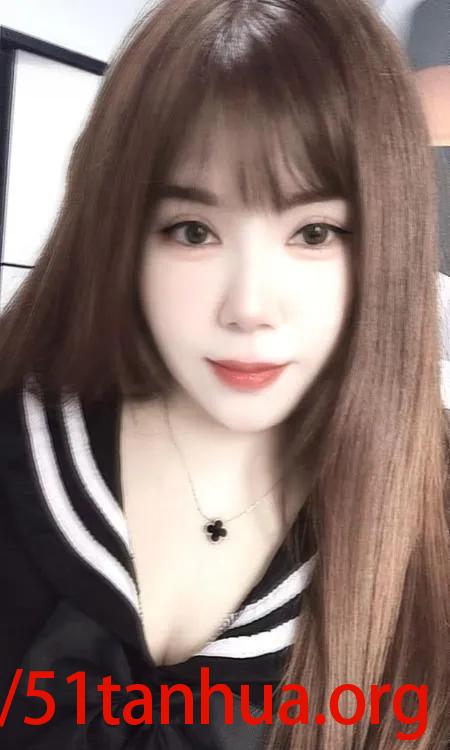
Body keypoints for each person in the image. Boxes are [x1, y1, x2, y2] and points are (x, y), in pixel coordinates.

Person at [0, 0, 448, 748]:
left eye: (315, 232)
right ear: (121, 236)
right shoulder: (23, 444)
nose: (248, 308)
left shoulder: (426, 504)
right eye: (193, 231)